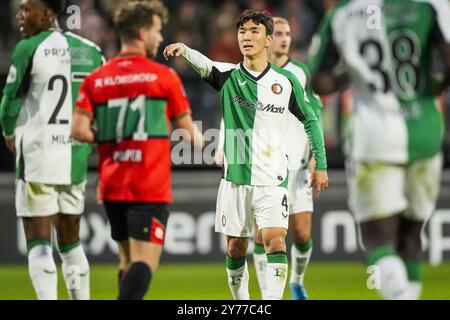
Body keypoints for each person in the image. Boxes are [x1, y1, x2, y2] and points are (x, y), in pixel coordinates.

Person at [164, 9, 328, 300]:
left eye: (254, 31)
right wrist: (185, 50)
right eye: (242, 32)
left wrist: (321, 164)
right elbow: (206, 65)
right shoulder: (228, 76)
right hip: (235, 179)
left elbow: (311, 120)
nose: (247, 37)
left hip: (273, 178)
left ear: (268, 39)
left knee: (275, 240)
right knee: (235, 249)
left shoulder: (286, 81)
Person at [308, 0, 450, 299]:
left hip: (375, 136)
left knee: (377, 240)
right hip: (425, 130)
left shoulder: (342, 14)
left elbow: (317, 80)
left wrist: (347, 75)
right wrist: (435, 86)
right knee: (410, 238)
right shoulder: (428, 6)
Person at [71, 0, 204, 300]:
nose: (160, 37)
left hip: (113, 183)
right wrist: (205, 141)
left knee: (126, 261)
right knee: (145, 263)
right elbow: (189, 133)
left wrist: (113, 136)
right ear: (143, 33)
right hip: (148, 185)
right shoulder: (164, 76)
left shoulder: (97, 78)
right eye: (158, 31)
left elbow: (78, 130)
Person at [0, 0, 103, 300]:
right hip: (75, 159)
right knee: (71, 243)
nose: (19, 16)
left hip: (38, 157)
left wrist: (9, 133)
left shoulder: (29, 47)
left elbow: (9, 104)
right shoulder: (93, 52)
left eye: (25, 9)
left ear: (46, 13)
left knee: (39, 243)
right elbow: (103, 105)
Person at [253, 16, 324, 300]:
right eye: (279, 33)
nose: (285, 39)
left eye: (288, 34)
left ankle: (296, 282)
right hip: (266, 168)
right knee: (263, 236)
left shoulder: (300, 72)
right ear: (268, 38)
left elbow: (314, 115)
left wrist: (317, 156)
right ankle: (268, 293)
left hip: (296, 166)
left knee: (302, 235)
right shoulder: (252, 71)